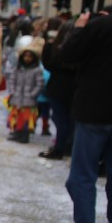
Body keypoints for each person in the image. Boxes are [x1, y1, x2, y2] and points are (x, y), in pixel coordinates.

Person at [53, 0, 112, 223]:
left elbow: (66, 55)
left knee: (83, 174)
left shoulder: (101, 26)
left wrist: (81, 28)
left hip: (94, 109)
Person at [40, 20, 77, 159]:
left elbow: (48, 64)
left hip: (58, 87)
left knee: (60, 119)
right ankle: (67, 146)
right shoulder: (79, 48)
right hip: (74, 88)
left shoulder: (54, 47)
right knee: (70, 120)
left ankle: (61, 147)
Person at [6, 42, 44, 144]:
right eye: (25, 56)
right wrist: (13, 91)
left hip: (29, 99)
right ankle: (17, 132)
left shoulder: (37, 70)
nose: (27, 59)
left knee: (26, 119)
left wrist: (32, 94)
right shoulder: (17, 69)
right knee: (17, 116)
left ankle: (25, 135)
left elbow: (39, 84)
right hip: (17, 97)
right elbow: (12, 80)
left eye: (30, 57)